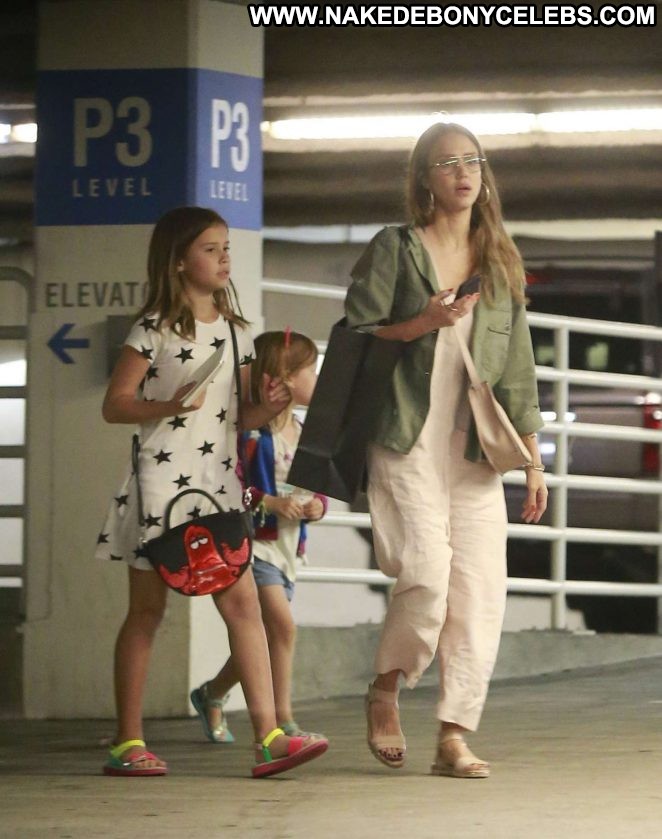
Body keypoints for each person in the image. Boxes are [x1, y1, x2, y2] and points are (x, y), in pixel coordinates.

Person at [344, 122, 548, 778]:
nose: (463, 172)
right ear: (424, 180)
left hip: (475, 450)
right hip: (404, 434)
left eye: (472, 161)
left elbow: (517, 367)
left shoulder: (500, 261)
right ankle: (387, 686)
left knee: (480, 592)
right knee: (427, 575)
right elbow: (357, 334)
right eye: (447, 162)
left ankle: (453, 734)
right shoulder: (396, 248)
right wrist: (423, 323)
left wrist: (533, 459)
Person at [95, 206, 328, 778]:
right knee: (147, 612)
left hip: (220, 486)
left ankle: (269, 736)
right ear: (178, 261)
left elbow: (241, 416)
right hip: (159, 487)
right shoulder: (151, 329)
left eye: (227, 247)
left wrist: (269, 406)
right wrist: (168, 405)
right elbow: (114, 405)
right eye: (210, 249)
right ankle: (127, 741)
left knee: (243, 606)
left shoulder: (236, 331)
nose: (225, 258)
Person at [190, 329, 328, 744]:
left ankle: (212, 693)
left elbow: (317, 486)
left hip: (288, 547)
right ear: (284, 376)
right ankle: (282, 721)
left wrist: (318, 506)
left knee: (267, 634)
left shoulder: (304, 431)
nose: (317, 379)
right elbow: (231, 486)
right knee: (282, 628)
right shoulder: (249, 432)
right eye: (310, 371)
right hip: (254, 545)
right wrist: (268, 502)